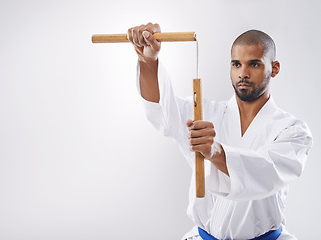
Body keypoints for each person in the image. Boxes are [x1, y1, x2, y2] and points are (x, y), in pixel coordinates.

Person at [127, 23, 313, 240]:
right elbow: (162, 108)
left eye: (254, 64)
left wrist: (216, 152)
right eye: (236, 64)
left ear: (274, 68)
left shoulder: (293, 130)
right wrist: (147, 60)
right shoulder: (205, 113)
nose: (242, 73)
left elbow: (267, 171)